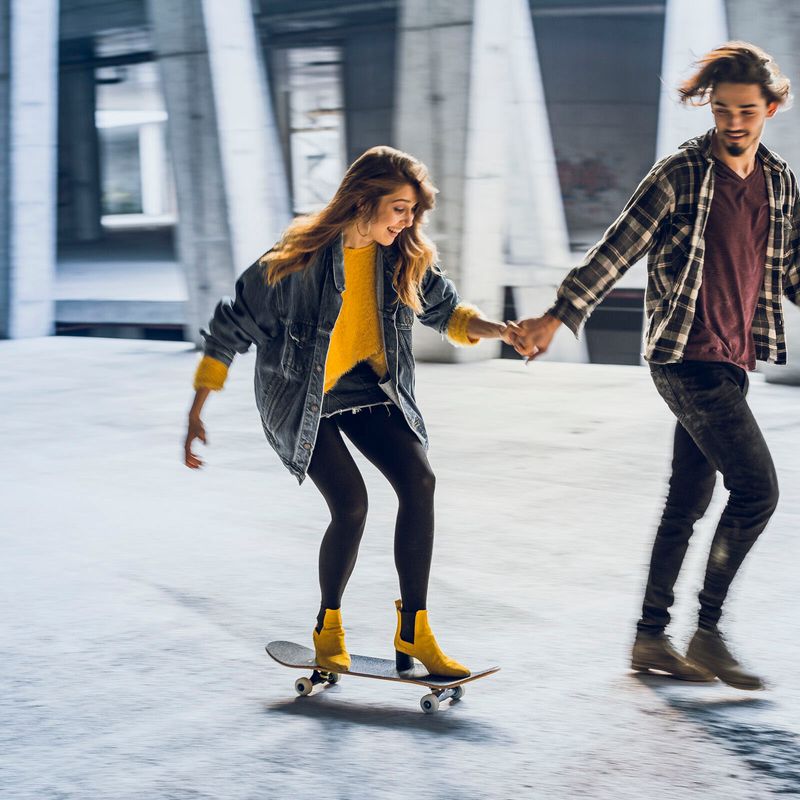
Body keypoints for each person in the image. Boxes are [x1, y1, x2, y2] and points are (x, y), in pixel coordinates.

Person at [508, 42, 798, 689]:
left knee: (686, 502)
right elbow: (617, 247)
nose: (732, 122)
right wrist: (558, 315)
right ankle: (708, 633)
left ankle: (649, 638)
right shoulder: (681, 174)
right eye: (722, 109)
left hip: (732, 359)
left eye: (746, 110)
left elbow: (792, 269)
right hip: (683, 357)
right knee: (757, 490)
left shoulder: (778, 184)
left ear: (771, 108)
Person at [184, 146, 515, 677]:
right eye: (399, 209)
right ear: (364, 200)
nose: (407, 222)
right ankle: (328, 627)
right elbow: (231, 326)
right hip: (301, 397)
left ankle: (415, 633)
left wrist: (498, 331)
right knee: (352, 505)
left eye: (413, 212)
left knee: (419, 482)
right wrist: (197, 410)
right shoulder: (295, 263)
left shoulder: (401, 256)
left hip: (368, 388)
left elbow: (446, 312)